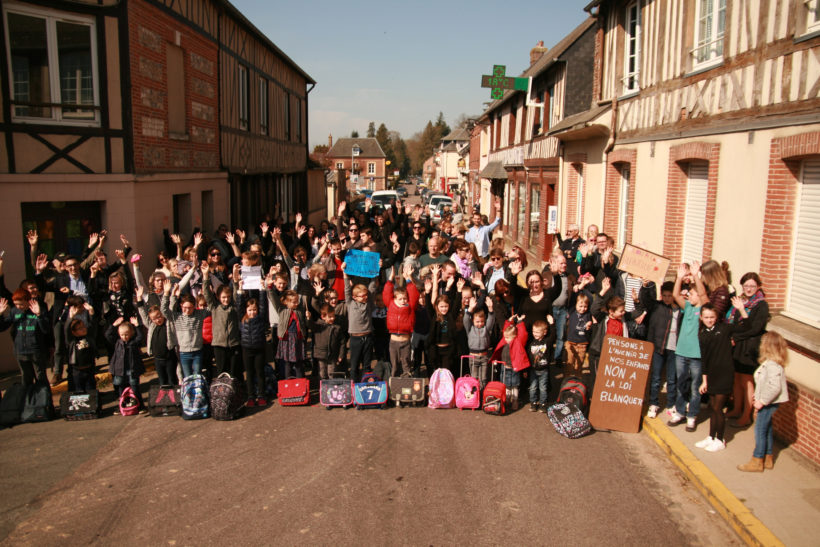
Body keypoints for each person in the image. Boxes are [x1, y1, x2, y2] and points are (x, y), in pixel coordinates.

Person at [737, 332, 789, 472]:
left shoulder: (772, 365)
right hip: (766, 400)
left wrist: (762, 401)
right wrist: (757, 394)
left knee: (760, 430)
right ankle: (768, 457)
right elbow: (765, 383)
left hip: (768, 403)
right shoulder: (770, 363)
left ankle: (757, 460)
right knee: (767, 429)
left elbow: (774, 387)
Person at [668, 261, 709, 432]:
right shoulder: (688, 308)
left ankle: (692, 415)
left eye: (692, 294)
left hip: (696, 355)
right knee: (681, 383)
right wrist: (678, 278)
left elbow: (704, 295)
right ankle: (680, 411)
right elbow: (676, 295)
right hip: (681, 352)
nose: (688, 296)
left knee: (695, 387)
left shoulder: (703, 310)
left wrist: (696, 277)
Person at [726, 272, 769, 428]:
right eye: (746, 286)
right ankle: (737, 409)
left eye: (752, 286)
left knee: (747, 381)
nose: (749, 289)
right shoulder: (741, 301)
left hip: (749, 348)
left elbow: (754, 328)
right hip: (737, 346)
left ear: (758, 286)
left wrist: (736, 337)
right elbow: (737, 324)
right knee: (736, 379)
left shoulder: (761, 305)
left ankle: (746, 415)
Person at [695, 304, 735, 452]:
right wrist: (704, 381)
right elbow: (704, 359)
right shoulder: (703, 334)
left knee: (718, 408)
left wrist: (742, 310)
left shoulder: (724, 329)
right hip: (712, 375)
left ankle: (720, 439)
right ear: (701, 317)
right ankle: (711, 436)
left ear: (716, 317)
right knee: (713, 408)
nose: (709, 320)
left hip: (725, 374)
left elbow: (747, 327)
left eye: (712, 317)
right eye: (706, 317)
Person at [0, 290, 50, 386]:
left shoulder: (38, 309)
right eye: (16, 304)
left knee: (40, 377)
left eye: (21, 304)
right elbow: (2, 327)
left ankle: (44, 399)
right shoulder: (14, 311)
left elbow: (46, 329)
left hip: (35, 350)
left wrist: (39, 315)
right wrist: (0, 314)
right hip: (20, 351)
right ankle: (28, 399)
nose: (19, 307)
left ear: (28, 301)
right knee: (26, 379)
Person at [645, 281, 680, 419]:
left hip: (675, 348)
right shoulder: (657, 307)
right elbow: (646, 300)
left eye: (670, 295)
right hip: (659, 346)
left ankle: (671, 404)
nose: (666, 298)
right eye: (664, 295)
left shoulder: (679, 310)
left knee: (672, 378)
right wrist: (646, 286)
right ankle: (654, 403)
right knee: (656, 377)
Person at [237, 278, 270, 406]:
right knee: (249, 373)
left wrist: (262, 288)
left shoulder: (260, 318)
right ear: (246, 310)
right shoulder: (242, 318)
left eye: (254, 310)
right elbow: (239, 305)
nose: (252, 312)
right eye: (250, 310)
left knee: (260, 372)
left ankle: (261, 395)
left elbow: (263, 304)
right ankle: (251, 396)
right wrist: (240, 289)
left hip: (259, 348)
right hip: (246, 349)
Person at [136, 287, 178, 387]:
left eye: (159, 316)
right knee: (162, 381)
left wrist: (168, 293)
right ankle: (164, 400)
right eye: (154, 318)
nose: (158, 320)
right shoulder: (151, 326)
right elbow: (143, 314)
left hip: (169, 358)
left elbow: (171, 308)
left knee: (172, 379)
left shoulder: (169, 323)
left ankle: (176, 400)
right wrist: (139, 298)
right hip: (158, 359)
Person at [383, 264, 419, 378]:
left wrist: (408, 279)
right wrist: (390, 279)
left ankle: (406, 386)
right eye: (400, 298)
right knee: (395, 365)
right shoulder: (391, 304)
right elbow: (386, 293)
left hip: (405, 341)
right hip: (393, 341)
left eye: (405, 298)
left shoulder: (410, 306)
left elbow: (414, 294)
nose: (403, 301)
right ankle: (394, 388)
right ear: (394, 298)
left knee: (406, 365)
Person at [106, 317, 145, 413]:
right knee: (121, 388)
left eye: (126, 334)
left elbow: (140, 337)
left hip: (132, 369)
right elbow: (107, 335)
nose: (124, 337)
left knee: (135, 387)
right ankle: (122, 405)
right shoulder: (118, 342)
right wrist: (114, 325)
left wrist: (137, 325)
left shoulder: (133, 342)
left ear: (131, 333)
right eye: (122, 335)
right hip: (120, 369)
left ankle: (140, 405)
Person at [490, 315, 529, 411]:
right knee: (506, 385)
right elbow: (505, 330)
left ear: (515, 336)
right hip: (504, 366)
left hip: (513, 367)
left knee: (514, 385)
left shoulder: (517, 341)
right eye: (505, 337)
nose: (506, 339)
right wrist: (509, 321)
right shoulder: (505, 340)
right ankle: (507, 399)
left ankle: (515, 400)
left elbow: (523, 334)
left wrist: (519, 323)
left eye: (508, 337)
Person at [270, 289, 307, 381]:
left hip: (297, 339)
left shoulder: (299, 311)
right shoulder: (282, 311)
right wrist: (270, 289)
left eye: (297, 301)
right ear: (286, 302)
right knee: (287, 364)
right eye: (294, 302)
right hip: (287, 339)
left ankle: (300, 383)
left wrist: (308, 318)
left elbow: (304, 324)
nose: (296, 304)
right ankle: (288, 383)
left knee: (298, 363)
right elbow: (274, 300)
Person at [463, 294, 496, 388]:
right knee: (474, 377)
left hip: (484, 357)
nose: (480, 323)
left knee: (483, 378)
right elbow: (465, 319)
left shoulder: (486, 329)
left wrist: (490, 308)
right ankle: (475, 397)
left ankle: (481, 396)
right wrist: (470, 308)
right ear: (473, 321)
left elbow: (491, 320)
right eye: (477, 321)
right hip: (473, 357)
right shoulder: (470, 329)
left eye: (481, 321)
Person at [527, 318, 556, 412]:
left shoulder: (547, 342)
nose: (535, 333)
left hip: (544, 369)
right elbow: (528, 356)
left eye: (537, 332)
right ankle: (533, 403)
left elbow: (553, 336)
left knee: (543, 388)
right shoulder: (531, 342)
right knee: (532, 387)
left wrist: (552, 324)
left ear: (544, 332)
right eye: (533, 331)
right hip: (533, 369)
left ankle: (543, 404)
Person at [310, 303, 344, 380]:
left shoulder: (337, 328)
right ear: (323, 317)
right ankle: (323, 388)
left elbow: (342, 342)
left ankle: (331, 388)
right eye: (330, 317)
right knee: (322, 373)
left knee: (331, 373)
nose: (332, 318)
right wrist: (308, 318)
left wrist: (341, 355)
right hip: (321, 354)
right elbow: (310, 325)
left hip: (333, 355)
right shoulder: (318, 326)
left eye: (333, 316)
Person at [66, 318, 97, 393]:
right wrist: (70, 317)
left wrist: (91, 315)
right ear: (74, 332)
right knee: (79, 390)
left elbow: (93, 325)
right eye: (80, 328)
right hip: (77, 371)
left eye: (83, 327)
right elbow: (66, 330)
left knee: (90, 389)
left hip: (89, 369)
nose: (83, 329)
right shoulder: (72, 341)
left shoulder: (89, 338)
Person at [565, 292, 592, 378]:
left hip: (582, 344)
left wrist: (590, 324)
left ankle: (577, 380)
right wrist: (579, 287)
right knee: (569, 363)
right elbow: (572, 299)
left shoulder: (588, 314)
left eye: (585, 306)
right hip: (571, 342)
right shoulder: (572, 312)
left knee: (579, 364)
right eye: (580, 306)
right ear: (576, 305)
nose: (583, 309)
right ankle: (566, 379)